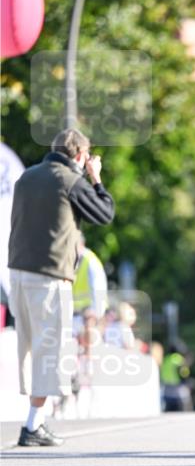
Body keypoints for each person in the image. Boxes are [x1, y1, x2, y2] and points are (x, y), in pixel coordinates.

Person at [7, 128, 115, 446]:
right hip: (49, 276)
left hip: (17, 272)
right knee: (50, 350)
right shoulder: (70, 180)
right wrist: (95, 178)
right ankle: (33, 425)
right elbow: (105, 213)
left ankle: (35, 420)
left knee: (28, 347)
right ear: (80, 155)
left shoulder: (27, 177)